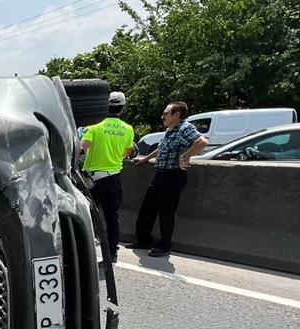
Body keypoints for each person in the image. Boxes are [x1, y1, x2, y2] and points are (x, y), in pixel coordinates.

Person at [127, 101, 209, 257]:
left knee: (166, 212)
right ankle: (144, 240)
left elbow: (203, 142)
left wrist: (185, 156)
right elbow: (162, 148)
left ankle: (164, 246)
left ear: (176, 115)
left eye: (166, 113)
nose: (162, 116)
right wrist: (146, 159)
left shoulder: (185, 128)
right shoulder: (170, 130)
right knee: (147, 209)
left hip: (173, 175)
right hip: (161, 174)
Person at [80, 91, 135, 264]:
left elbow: (82, 147)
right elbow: (127, 153)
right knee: (112, 217)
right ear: (122, 108)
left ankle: (84, 253)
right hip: (114, 179)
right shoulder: (128, 129)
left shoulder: (94, 127)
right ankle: (111, 254)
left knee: (87, 217)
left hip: (93, 181)